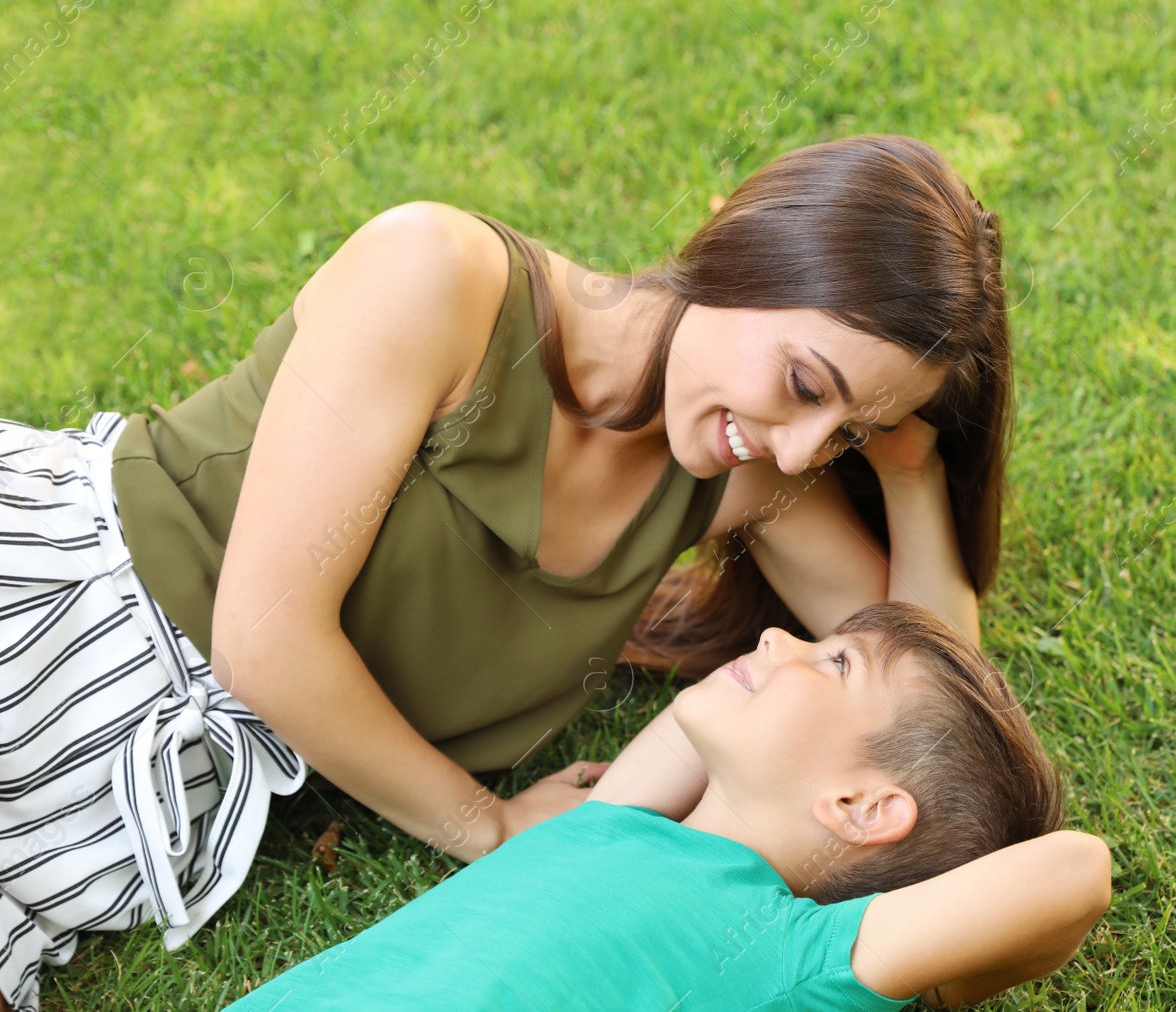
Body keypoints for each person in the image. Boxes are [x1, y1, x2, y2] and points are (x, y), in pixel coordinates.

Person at [0, 134, 1016, 1012]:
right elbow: (262, 637)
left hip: (155, 773)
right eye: (804, 384)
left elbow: (926, 709)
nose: (801, 452)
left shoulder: (732, 476)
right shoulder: (438, 275)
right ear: (745, 247)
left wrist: (911, 463)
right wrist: (487, 822)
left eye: (848, 431)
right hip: (70, 602)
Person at [225, 602, 1112, 1011]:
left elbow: (1076, 867)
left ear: (862, 806)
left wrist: (956, 976)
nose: (776, 636)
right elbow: (694, 728)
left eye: (835, 662)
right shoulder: (617, 819)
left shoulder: (794, 953)